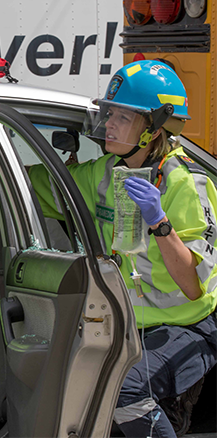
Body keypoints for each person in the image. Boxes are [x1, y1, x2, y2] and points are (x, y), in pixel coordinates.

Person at [29, 60, 217, 437]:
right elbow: (40, 185)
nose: (109, 124)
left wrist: (159, 224)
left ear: (154, 128)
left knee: (123, 390)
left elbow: (193, 285)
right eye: (109, 113)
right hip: (128, 324)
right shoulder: (105, 173)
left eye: (123, 117)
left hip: (185, 327)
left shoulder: (185, 184)